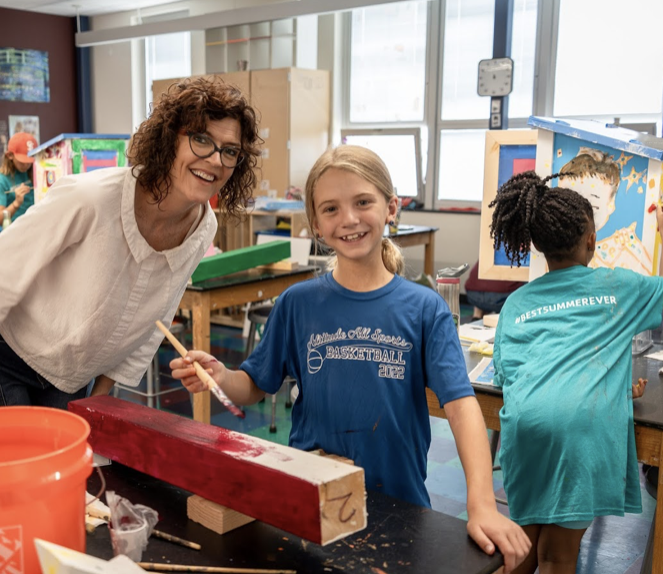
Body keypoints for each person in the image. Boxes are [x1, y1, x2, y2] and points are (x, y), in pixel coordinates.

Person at [170, 145, 530, 572]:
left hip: (400, 506)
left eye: (363, 202)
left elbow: (461, 405)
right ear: (318, 226)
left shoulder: (424, 309)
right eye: (331, 209)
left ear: (390, 207)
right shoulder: (297, 304)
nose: (349, 219)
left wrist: (482, 503)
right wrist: (220, 375)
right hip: (311, 501)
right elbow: (254, 384)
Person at [0, 76, 260, 412]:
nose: (215, 160)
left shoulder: (202, 228)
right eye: (200, 140)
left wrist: (100, 398)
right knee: (17, 462)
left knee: (67, 463)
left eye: (230, 151)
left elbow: (155, 320)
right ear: (169, 140)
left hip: (67, 375)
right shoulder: (90, 199)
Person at [489, 170, 663, 574]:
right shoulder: (619, 287)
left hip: (525, 432)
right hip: (581, 434)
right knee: (558, 557)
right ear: (591, 240)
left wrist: (617, 389)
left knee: (522, 549)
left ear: (539, 246)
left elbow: (518, 376)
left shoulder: (516, 303)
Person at [559, 147, 654, 273]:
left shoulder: (625, 249)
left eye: (592, 206)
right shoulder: (555, 252)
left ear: (611, 204)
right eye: (566, 203)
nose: (578, 214)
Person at [0, 132, 37, 227]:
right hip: (15, 231)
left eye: (29, 161)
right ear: (10, 156)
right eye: (22, 161)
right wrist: (16, 203)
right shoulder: (1, 180)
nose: (26, 165)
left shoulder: (37, 173)